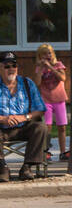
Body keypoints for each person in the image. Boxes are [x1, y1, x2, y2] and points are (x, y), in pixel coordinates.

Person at [0, 51, 50, 181]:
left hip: (24, 127)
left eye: (14, 66)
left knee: (41, 127)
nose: (11, 69)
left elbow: (40, 109)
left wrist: (24, 117)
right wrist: (3, 119)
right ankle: (2, 168)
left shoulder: (27, 83)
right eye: (7, 66)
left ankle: (27, 167)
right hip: (2, 129)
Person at [35, 43, 68, 162]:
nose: (47, 56)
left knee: (62, 126)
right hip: (46, 100)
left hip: (59, 99)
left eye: (49, 53)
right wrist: (41, 69)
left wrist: (51, 67)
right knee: (47, 127)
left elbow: (63, 78)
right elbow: (38, 82)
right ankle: (46, 151)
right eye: (44, 54)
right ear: (40, 56)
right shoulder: (39, 68)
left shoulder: (58, 64)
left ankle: (63, 151)